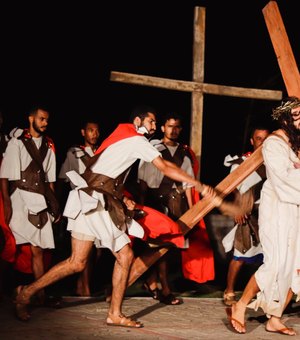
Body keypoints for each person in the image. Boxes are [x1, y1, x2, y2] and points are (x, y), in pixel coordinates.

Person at [13, 105, 215, 328]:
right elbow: (164, 166)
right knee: (120, 257)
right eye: (152, 122)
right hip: (94, 201)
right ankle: (112, 313)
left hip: (92, 198)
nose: (155, 127)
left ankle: (26, 293)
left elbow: (111, 174)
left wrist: (124, 196)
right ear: (138, 122)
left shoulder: (124, 137)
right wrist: (199, 184)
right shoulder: (137, 140)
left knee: (77, 262)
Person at [226, 96, 300, 336]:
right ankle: (239, 305)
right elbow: (284, 181)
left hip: (295, 208)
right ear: (286, 118)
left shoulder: (295, 143)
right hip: (278, 207)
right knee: (276, 263)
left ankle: (275, 318)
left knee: (297, 266)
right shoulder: (274, 143)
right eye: (297, 115)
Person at [138, 112, 215, 304]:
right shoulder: (152, 149)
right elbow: (142, 180)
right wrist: (141, 204)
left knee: (172, 247)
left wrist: (193, 212)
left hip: (178, 204)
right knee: (161, 244)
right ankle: (164, 288)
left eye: (177, 127)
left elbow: (189, 186)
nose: (173, 130)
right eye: (169, 126)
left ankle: (152, 281)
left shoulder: (184, 154)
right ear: (163, 128)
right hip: (157, 202)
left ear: (180, 129)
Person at [0, 106, 60, 321]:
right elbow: (6, 176)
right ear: (31, 118)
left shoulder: (49, 144)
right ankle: (16, 294)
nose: (45, 123)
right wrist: (7, 202)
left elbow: (50, 180)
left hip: (40, 200)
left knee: (37, 250)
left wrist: (54, 205)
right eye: (41, 119)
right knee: (11, 249)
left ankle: (38, 294)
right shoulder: (17, 142)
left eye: (47, 119)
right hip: (20, 199)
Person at [222, 125, 270, 306]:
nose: (262, 142)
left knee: (268, 256)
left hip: (267, 214)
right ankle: (229, 291)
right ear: (252, 141)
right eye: (259, 138)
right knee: (240, 253)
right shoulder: (240, 162)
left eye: (266, 138)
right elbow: (232, 187)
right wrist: (238, 208)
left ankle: (263, 292)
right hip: (246, 213)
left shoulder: (273, 162)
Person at [58, 118, 102, 297]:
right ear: (83, 132)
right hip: (81, 203)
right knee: (84, 249)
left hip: (99, 203)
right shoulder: (74, 152)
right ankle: (83, 286)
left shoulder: (102, 152)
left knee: (98, 249)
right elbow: (63, 178)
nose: (95, 134)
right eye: (91, 130)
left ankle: (83, 283)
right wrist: (59, 204)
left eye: (97, 130)